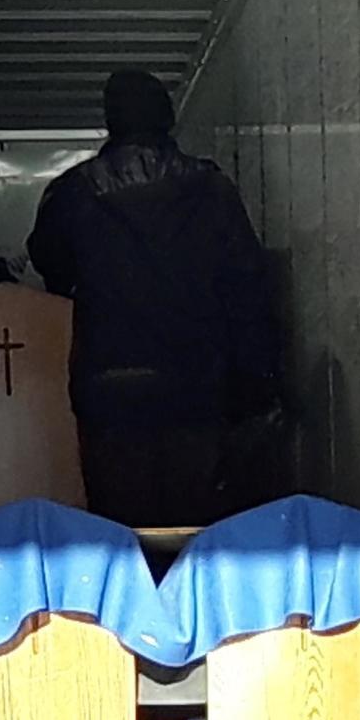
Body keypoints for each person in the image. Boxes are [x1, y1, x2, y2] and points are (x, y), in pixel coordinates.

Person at [27, 69, 281, 528]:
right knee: (197, 523)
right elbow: (246, 285)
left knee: (121, 527)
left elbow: (50, 265)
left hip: (110, 385)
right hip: (197, 381)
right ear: (166, 116)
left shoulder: (73, 192)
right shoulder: (210, 187)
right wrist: (257, 383)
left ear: (111, 121)